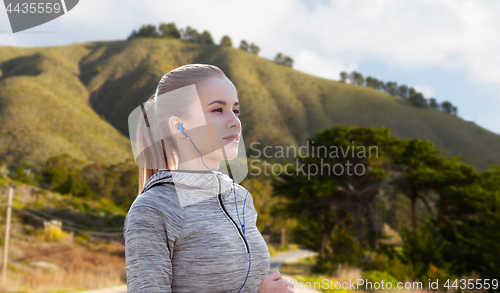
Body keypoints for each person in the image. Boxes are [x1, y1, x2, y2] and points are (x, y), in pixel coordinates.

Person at [124, 64, 294, 292]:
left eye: (236, 110)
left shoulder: (240, 197)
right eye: (217, 110)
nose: (235, 121)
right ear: (180, 126)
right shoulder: (153, 209)